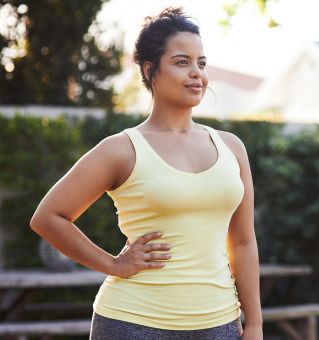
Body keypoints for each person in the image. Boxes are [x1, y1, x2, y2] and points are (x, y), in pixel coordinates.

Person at [29, 7, 262, 340]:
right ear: (151, 69)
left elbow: (242, 242)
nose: (197, 73)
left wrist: (254, 323)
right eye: (182, 62)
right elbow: (48, 217)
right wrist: (114, 264)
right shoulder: (121, 149)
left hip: (219, 324)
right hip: (133, 322)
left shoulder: (232, 147)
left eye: (201, 63)